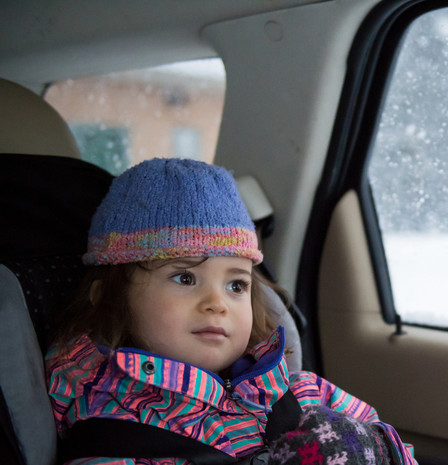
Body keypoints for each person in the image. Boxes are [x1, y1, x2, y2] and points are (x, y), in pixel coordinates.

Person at [45, 158, 417, 465]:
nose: (217, 303)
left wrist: (368, 447)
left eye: (236, 285)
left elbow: (393, 449)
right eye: (185, 278)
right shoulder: (113, 423)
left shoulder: (297, 393)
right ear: (109, 297)